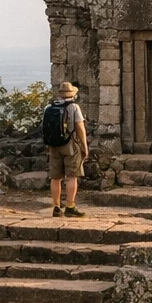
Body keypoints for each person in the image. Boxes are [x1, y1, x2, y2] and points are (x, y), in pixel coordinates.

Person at [42, 82, 88, 217]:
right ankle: (70, 206)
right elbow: (80, 127)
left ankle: (56, 206)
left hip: (54, 146)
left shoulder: (49, 107)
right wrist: (84, 146)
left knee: (55, 178)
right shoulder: (74, 107)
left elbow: (45, 128)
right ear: (72, 94)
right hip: (70, 145)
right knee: (72, 176)